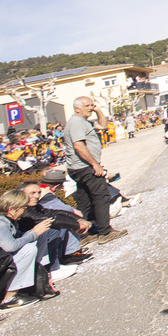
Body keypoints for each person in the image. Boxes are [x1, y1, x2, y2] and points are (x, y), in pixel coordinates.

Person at [65, 97, 127, 244]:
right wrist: (95, 165)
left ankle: (86, 233)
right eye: (87, 106)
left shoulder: (82, 122)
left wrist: (98, 109)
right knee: (101, 196)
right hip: (85, 167)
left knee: (85, 200)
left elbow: (102, 125)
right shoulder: (76, 123)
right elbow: (79, 146)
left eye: (91, 105)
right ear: (77, 109)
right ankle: (105, 231)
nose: (90, 108)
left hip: (79, 168)